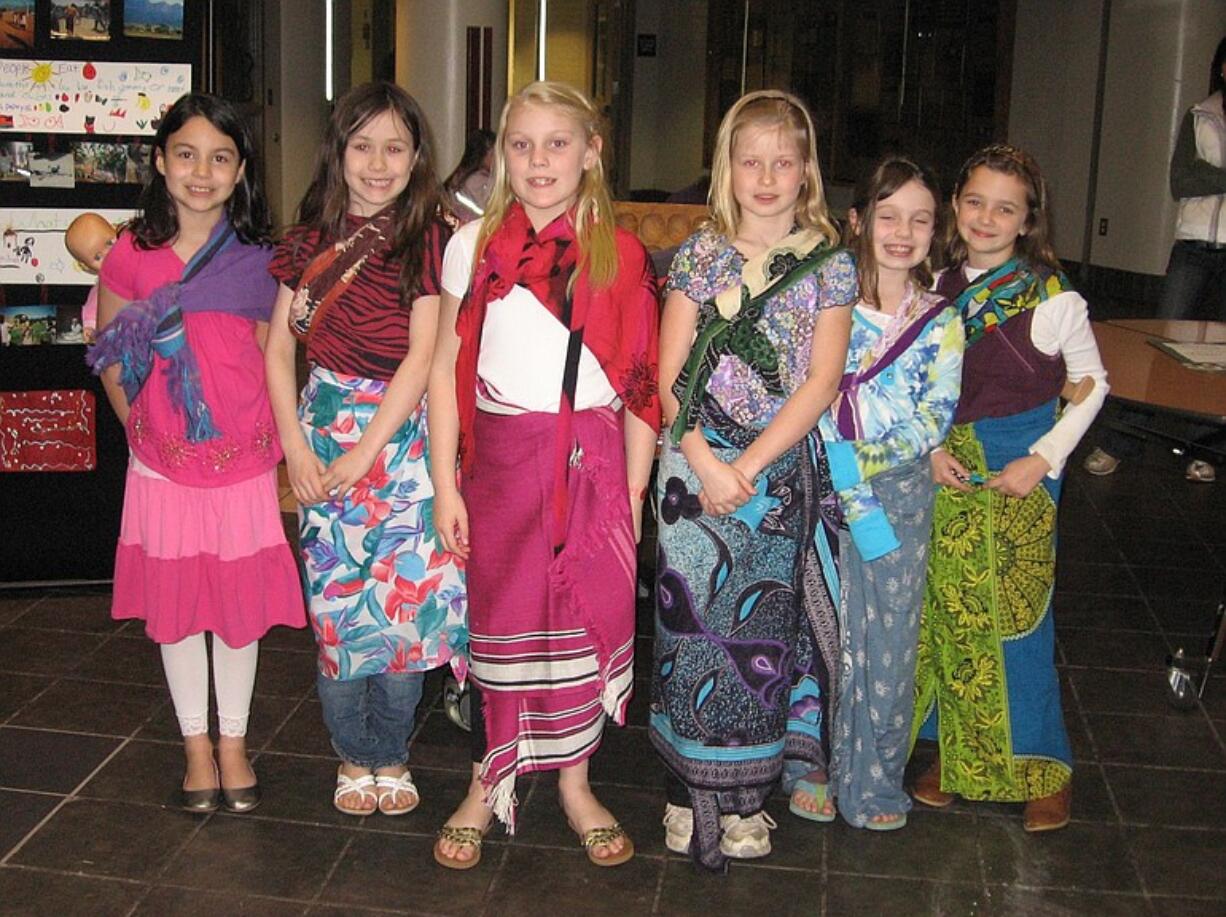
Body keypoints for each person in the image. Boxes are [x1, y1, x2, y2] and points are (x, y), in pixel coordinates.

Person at [428, 80, 660, 870]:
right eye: (520, 145)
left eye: (557, 142)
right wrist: (443, 481)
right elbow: (444, 369)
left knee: (579, 627)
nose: (538, 161)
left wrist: (630, 490)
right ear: (500, 155)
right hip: (499, 465)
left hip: (592, 468)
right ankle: (485, 780)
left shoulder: (619, 254)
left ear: (591, 152)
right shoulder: (471, 246)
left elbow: (638, 381)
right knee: (502, 622)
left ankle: (575, 783)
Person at [652, 89, 854, 871]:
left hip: (774, 472)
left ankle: (745, 801)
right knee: (688, 630)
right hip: (692, 468)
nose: (766, 177)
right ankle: (684, 792)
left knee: (761, 636)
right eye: (750, 161)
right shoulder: (701, 254)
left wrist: (750, 464)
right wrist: (704, 458)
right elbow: (671, 374)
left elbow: (820, 380)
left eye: (783, 161)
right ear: (726, 169)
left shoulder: (828, 265)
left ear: (805, 170)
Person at [87, 93, 305, 814]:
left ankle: (235, 741)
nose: (202, 172)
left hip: (240, 458)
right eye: (186, 154)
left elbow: (279, 355)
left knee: (236, 608)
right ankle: (194, 745)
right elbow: (112, 352)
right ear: (160, 160)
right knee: (178, 609)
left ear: (241, 169)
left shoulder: (262, 260)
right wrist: (138, 430)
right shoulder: (130, 254)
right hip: (162, 461)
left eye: (220, 157)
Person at [264, 82, 467, 818]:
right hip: (322, 429)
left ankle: (394, 752)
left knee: (404, 615)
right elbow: (278, 351)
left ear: (418, 157)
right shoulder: (307, 238)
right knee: (339, 612)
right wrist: (296, 448)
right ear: (338, 152)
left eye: (395, 147)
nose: (378, 164)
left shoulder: (430, 239)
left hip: (404, 441)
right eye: (362, 146)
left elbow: (421, 359)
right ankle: (355, 752)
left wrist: (368, 451)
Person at [912, 144, 1108, 833]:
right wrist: (930, 447)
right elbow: (914, 384)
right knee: (947, 614)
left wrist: (1043, 458)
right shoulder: (932, 285)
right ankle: (958, 757)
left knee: (1018, 620)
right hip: (947, 471)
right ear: (956, 206)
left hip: (1019, 473)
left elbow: (1090, 387)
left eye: (1005, 208)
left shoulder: (1055, 299)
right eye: (974, 202)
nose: (986, 218)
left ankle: (1043, 768)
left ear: (1028, 221)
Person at [819, 157, 964, 831]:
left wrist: (862, 464)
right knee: (821, 631)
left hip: (896, 495)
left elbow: (932, 418)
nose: (902, 232)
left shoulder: (941, 321)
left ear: (937, 232)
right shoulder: (827, 302)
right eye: (888, 215)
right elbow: (810, 387)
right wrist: (835, 462)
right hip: (821, 483)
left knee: (889, 642)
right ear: (857, 221)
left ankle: (875, 779)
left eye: (920, 219)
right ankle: (812, 766)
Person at [1084, 35, 1226, 484]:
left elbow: (1201, 176)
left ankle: (1205, 450)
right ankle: (1119, 441)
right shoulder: (1200, 114)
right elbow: (1182, 179)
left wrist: (1213, 176)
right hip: (1192, 247)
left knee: (1218, 356)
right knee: (1159, 346)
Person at [65, 211, 117, 334]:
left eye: (109, 243)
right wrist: (91, 327)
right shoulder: (103, 288)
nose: (108, 255)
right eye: (97, 257)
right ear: (88, 267)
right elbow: (93, 309)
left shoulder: (142, 253)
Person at [443, 129, 496, 223]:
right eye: (494, 154)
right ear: (486, 153)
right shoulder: (478, 181)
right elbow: (490, 213)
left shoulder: (459, 176)